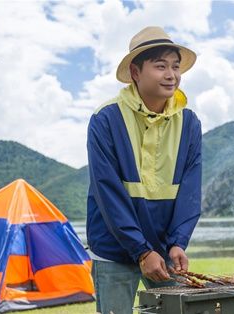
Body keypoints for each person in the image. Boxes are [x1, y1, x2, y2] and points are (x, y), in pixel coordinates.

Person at [86, 26, 202, 314]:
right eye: (160, 66)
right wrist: (141, 250)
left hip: (165, 248)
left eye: (175, 67)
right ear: (136, 72)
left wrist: (178, 242)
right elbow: (107, 191)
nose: (171, 74)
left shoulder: (189, 122)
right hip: (113, 248)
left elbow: (190, 189)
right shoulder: (106, 119)